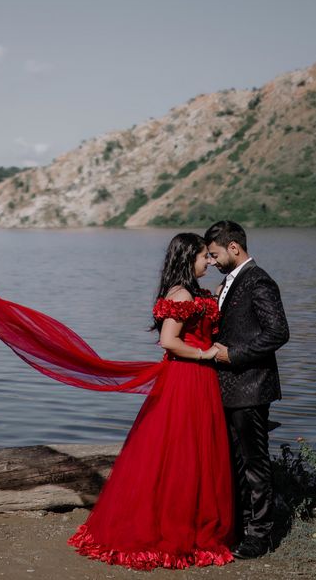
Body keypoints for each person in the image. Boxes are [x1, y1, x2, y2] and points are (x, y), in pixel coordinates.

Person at [67, 232, 235, 570]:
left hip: (197, 379)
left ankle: (190, 522)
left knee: (194, 452)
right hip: (187, 377)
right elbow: (169, 341)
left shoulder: (194, 292)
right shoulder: (182, 294)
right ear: (189, 258)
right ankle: (169, 528)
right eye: (205, 257)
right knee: (179, 452)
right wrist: (206, 355)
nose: (210, 262)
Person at [204, 220, 289, 560]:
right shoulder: (229, 282)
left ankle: (260, 535)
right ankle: (240, 527)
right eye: (208, 257)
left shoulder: (259, 281)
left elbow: (278, 332)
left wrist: (233, 354)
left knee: (254, 463)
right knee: (235, 462)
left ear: (233, 248)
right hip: (230, 388)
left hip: (251, 387)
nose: (210, 262)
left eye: (214, 254)